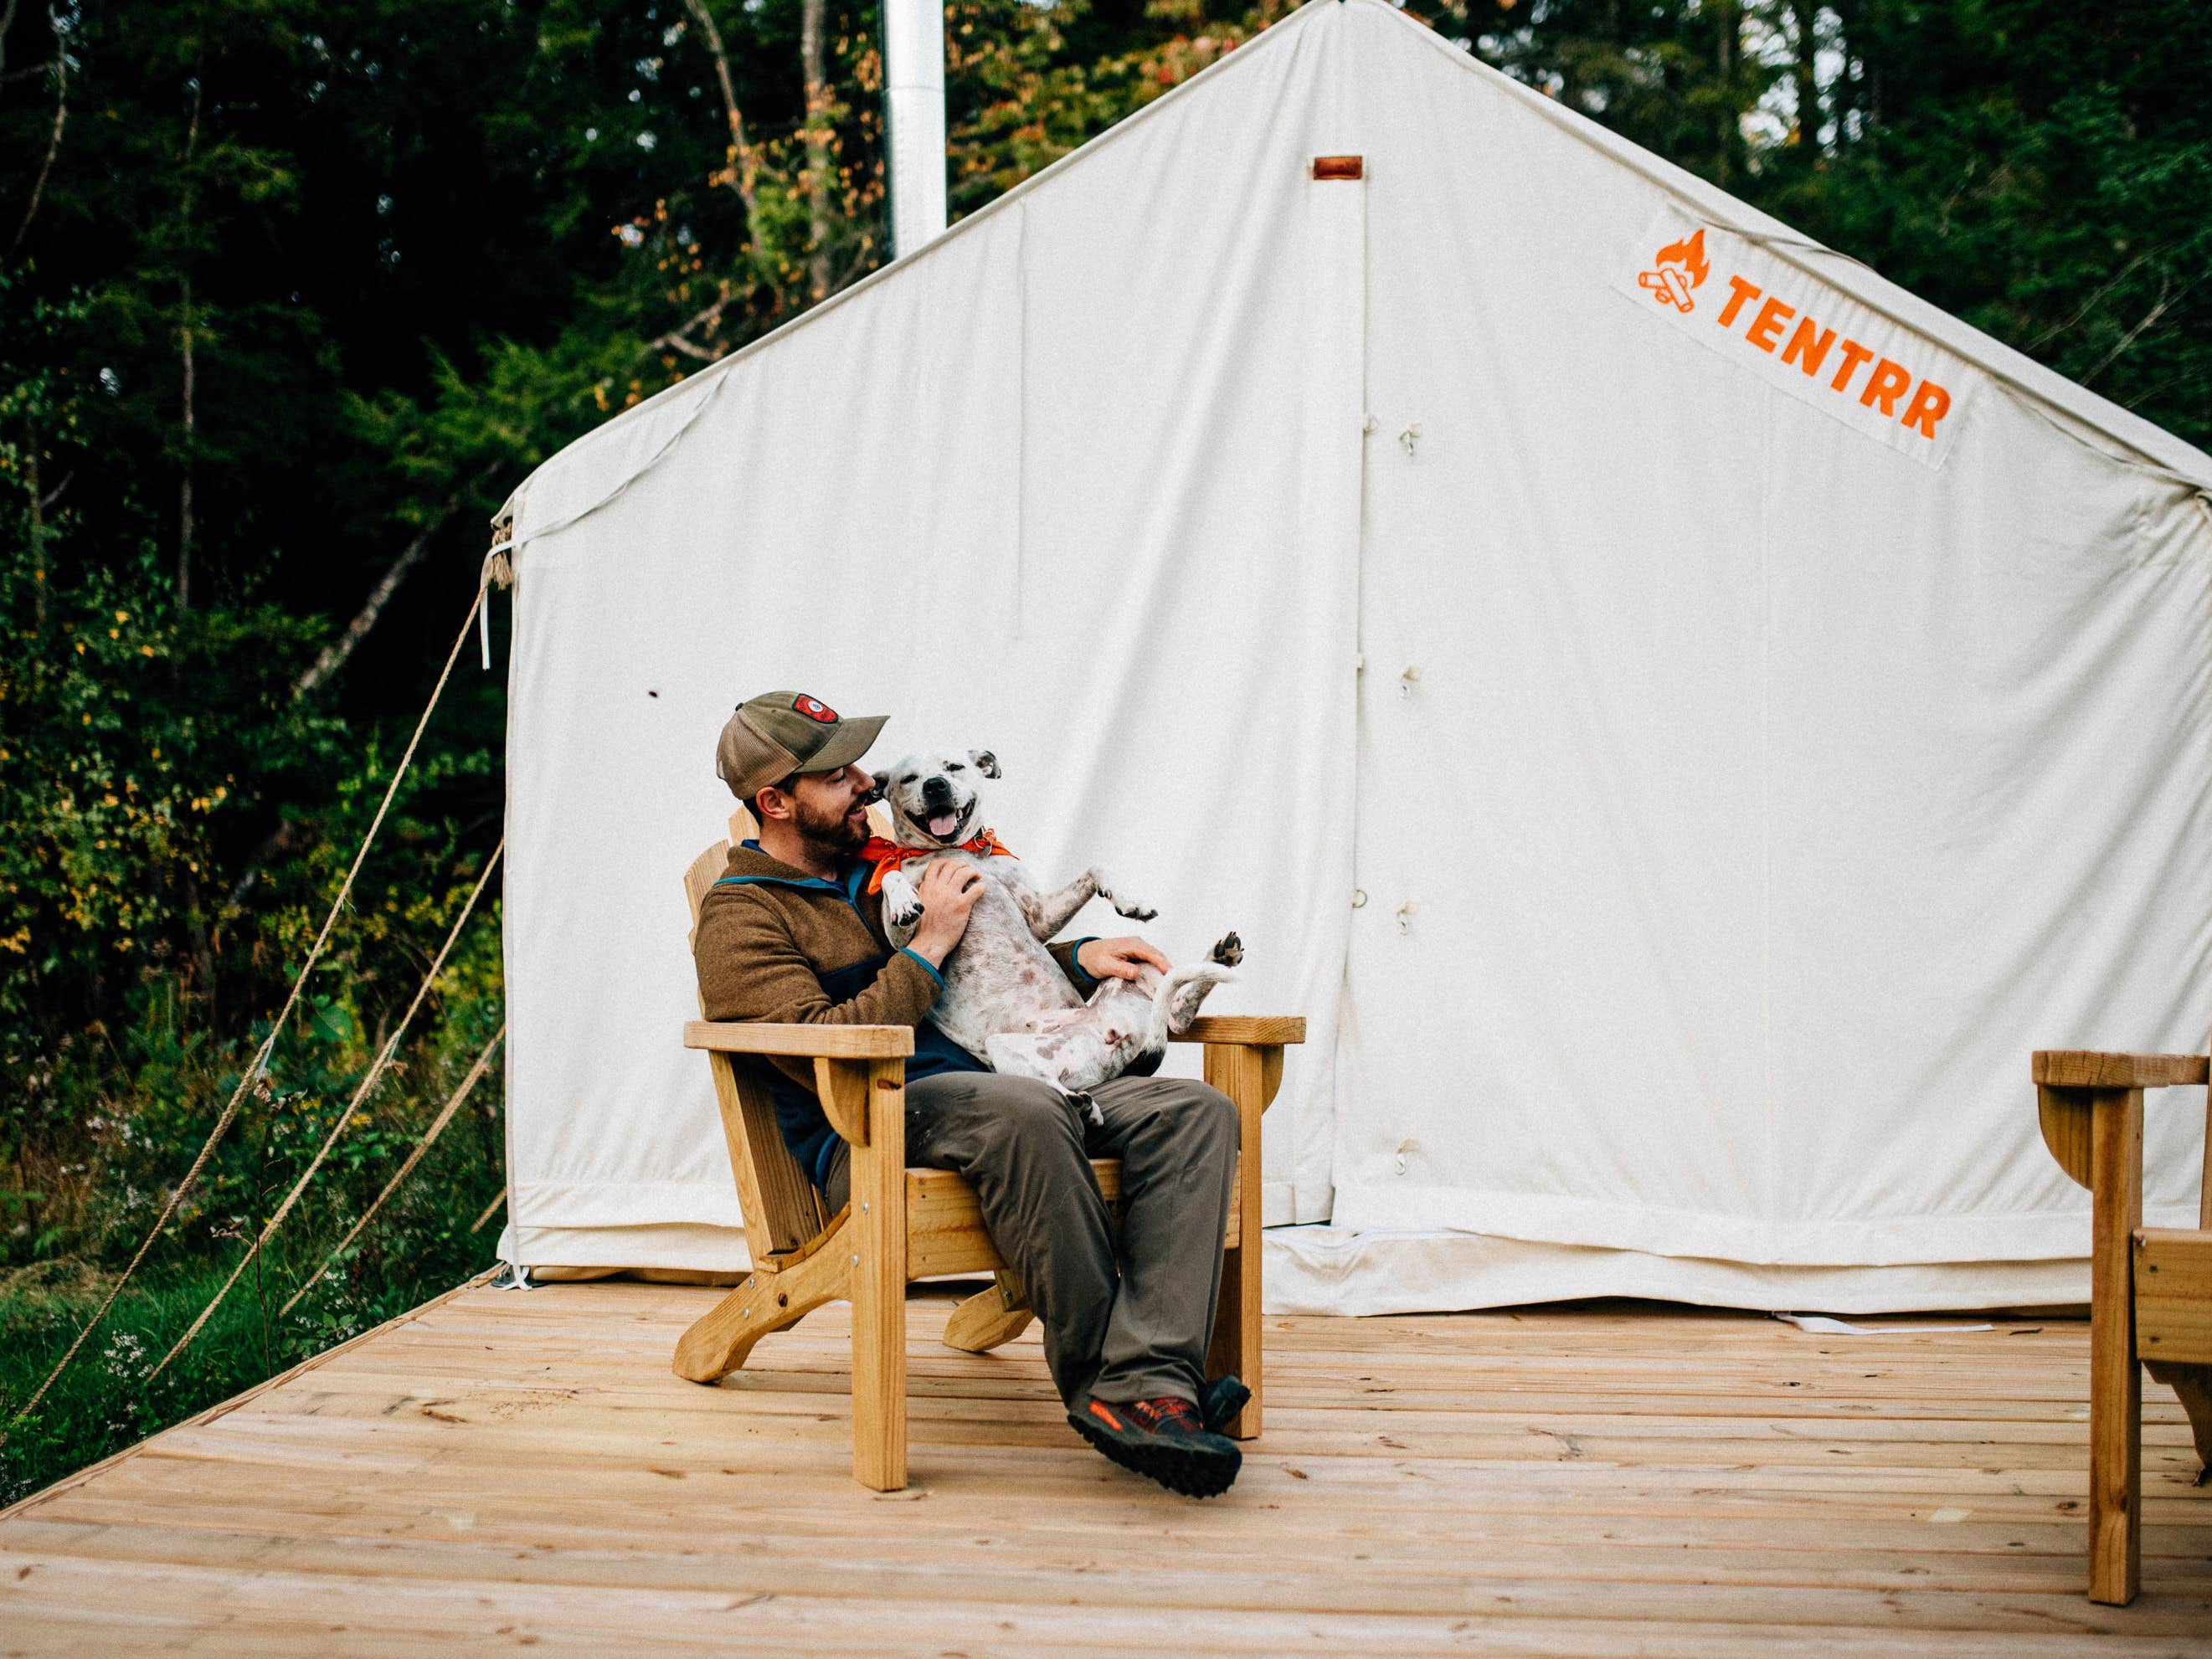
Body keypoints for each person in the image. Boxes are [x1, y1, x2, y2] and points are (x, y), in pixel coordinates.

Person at [692, 690, 1247, 1497]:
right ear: (774, 802)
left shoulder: (889, 871)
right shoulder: (742, 916)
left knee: (1194, 1112)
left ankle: (1154, 1378)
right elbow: (825, 1039)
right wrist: (929, 942)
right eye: (836, 775)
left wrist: (1079, 954)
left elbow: (984, 980)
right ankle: (1122, 1389)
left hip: (1012, 1083)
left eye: (856, 766)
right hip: (876, 1127)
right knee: (1024, 1110)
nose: (865, 784)